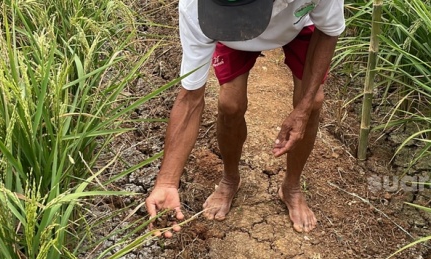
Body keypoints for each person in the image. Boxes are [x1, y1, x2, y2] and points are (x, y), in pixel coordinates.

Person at [146, 0, 345, 237]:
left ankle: (291, 186)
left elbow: (328, 31)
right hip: (228, 30)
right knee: (230, 105)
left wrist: (303, 109)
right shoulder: (195, 8)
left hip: (300, 23)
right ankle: (230, 178)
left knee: (313, 103)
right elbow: (190, 100)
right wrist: (167, 182)